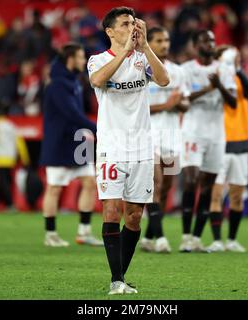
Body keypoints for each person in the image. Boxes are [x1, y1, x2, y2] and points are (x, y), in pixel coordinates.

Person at [88, 7, 169, 294]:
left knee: (134, 216)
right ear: (110, 31)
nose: (131, 27)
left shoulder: (142, 59)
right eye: (125, 24)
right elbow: (98, 81)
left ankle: (121, 277)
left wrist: (144, 46)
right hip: (111, 147)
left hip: (141, 148)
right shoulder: (98, 60)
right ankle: (115, 280)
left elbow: (163, 80)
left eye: (134, 23)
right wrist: (124, 51)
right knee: (111, 209)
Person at [39, 43, 102, 247]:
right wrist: (97, 128)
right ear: (70, 59)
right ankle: (50, 234)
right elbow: (72, 114)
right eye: (81, 57)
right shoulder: (57, 84)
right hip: (58, 142)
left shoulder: (73, 81)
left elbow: (76, 116)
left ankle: (83, 232)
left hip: (76, 141)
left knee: (89, 182)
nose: (84, 61)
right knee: (55, 188)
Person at [179, 30, 236, 253]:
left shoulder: (225, 70)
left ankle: (196, 237)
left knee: (208, 187)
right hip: (192, 132)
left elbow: (233, 104)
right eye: (205, 40)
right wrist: (208, 89)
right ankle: (185, 236)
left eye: (212, 40)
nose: (211, 44)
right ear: (195, 45)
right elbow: (183, 100)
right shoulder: (186, 70)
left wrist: (220, 86)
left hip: (217, 134)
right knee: (192, 181)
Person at [139, 26, 189, 254]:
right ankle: (160, 238)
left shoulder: (178, 71)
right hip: (149, 134)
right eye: (158, 40)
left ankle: (148, 236)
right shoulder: (140, 67)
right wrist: (167, 105)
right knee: (155, 184)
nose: (164, 44)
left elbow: (186, 102)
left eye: (167, 40)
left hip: (172, 135)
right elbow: (139, 107)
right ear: (150, 42)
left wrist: (179, 103)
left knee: (167, 186)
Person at [211, 45, 248, 252]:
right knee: (217, 194)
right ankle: (217, 240)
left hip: (241, 142)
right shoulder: (212, 78)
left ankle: (232, 239)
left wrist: (237, 69)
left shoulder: (239, 80)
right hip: (220, 142)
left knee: (237, 194)